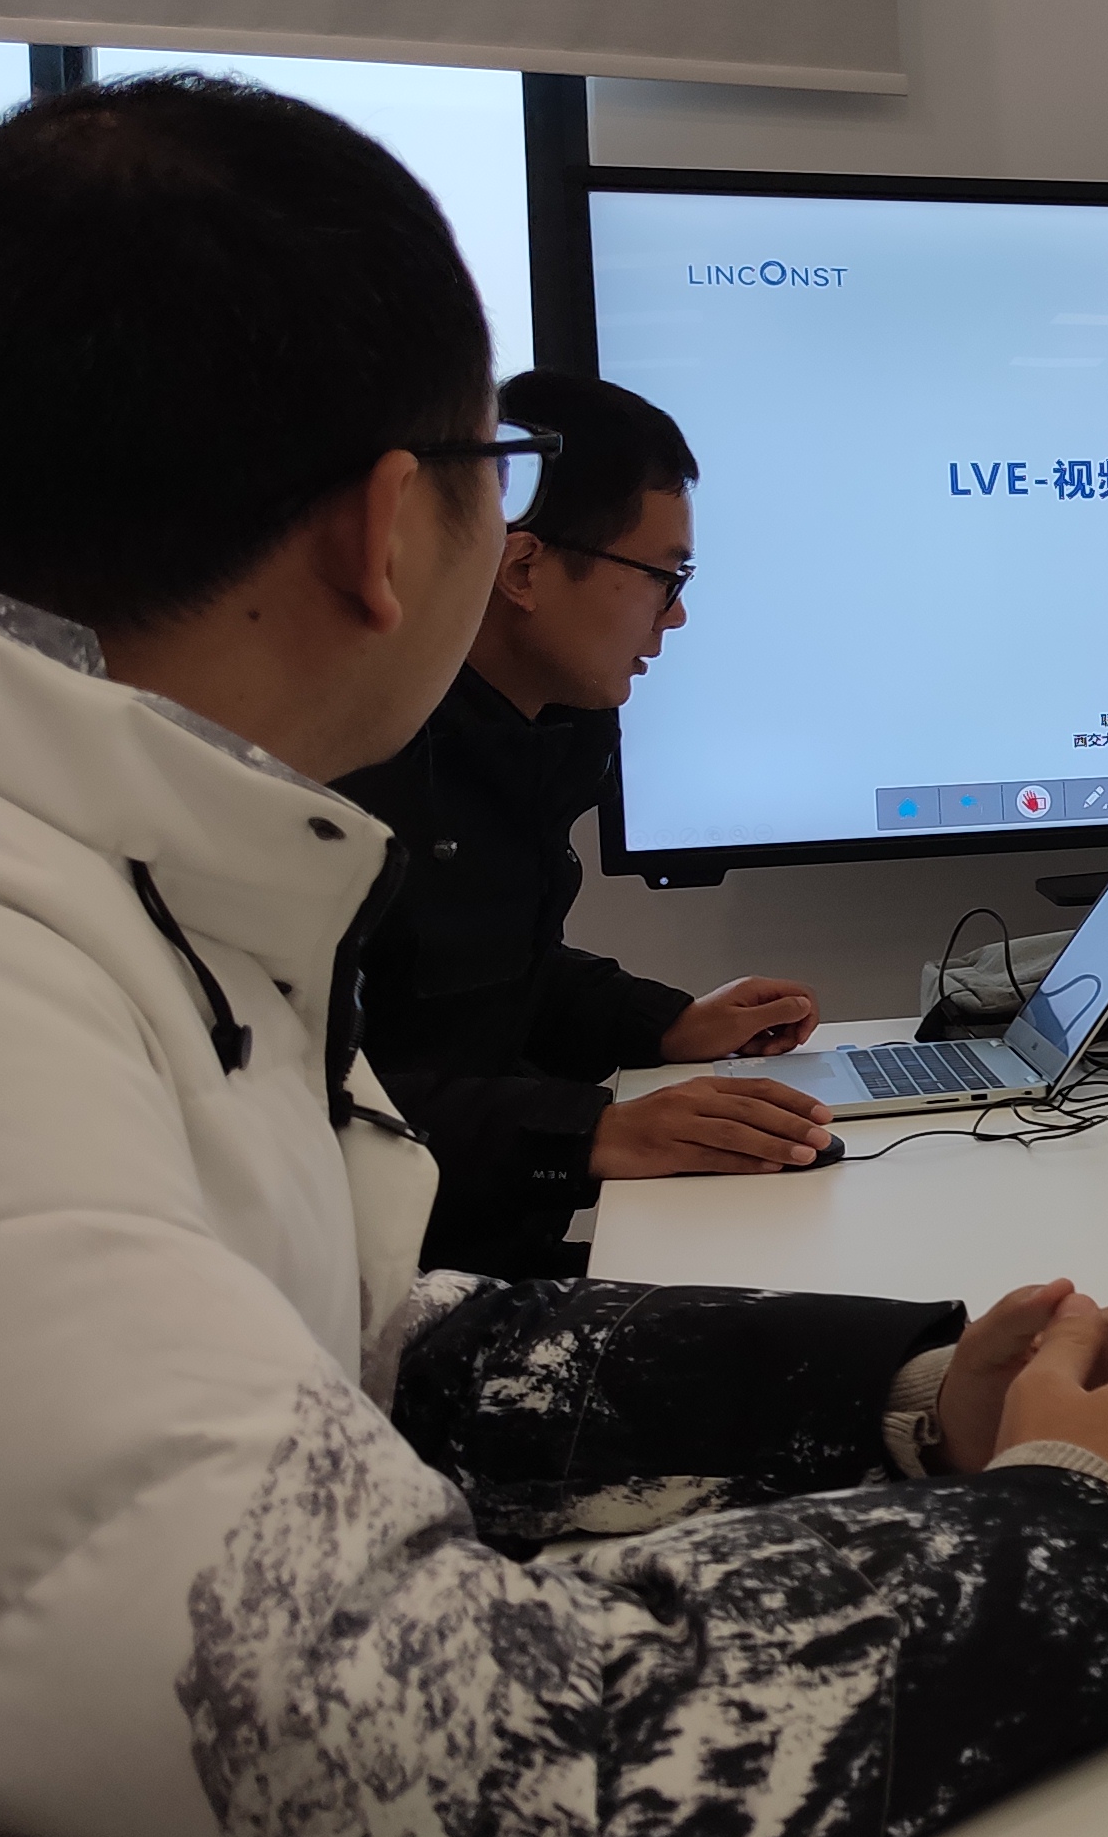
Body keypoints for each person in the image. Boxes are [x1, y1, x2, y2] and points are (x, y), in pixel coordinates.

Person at [0, 77, 1108, 1837]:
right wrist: (1080, 1534)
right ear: (392, 532)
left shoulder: (104, 858)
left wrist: (926, 1399)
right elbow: (438, 1802)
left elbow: (360, 1354)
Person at [338, 369, 834, 1279]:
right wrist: (590, 1133)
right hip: (383, 1290)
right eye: (662, 578)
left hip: (490, 1246)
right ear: (524, 569)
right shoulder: (357, 761)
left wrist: (668, 1022)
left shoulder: (545, 734)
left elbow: (488, 977)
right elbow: (309, 1098)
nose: (675, 615)